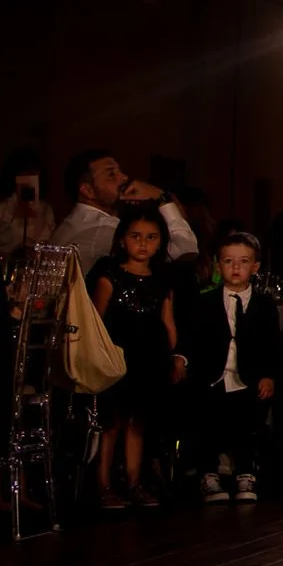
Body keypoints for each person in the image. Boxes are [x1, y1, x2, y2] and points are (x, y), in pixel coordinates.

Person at [176, 231, 281, 502]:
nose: (235, 268)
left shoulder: (264, 305)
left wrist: (268, 374)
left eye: (243, 261)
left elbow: (271, 342)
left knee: (247, 423)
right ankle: (209, 474)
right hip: (212, 376)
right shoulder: (204, 302)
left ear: (255, 266)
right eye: (228, 261)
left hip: (248, 376)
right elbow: (190, 337)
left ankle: (245, 472)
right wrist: (182, 359)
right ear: (217, 264)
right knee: (209, 423)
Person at [90, 210, 181, 508]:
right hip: (116, 358)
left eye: (151, 237)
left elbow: (168, 323)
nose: (143, 244)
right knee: (111, 423)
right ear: (122, 240)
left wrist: (173, 357)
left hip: (149, 358)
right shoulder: (109, 275)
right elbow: (97, 320)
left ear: (161, 242)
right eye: (135, 236)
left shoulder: (162, 281)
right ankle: (102, 485)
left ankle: (134, 482)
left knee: (138, 423)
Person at [53, 150, 199, 273]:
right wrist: (160, 197)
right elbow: (185, 250)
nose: (124, 178)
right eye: (111, 174)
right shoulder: (105, 228)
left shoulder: (68, 226)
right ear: (88, 191)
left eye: (120, 171)